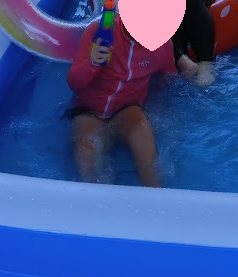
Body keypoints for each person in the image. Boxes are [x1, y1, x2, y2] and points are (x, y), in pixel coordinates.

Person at [66, 14, 176, 187]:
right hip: (89, 111)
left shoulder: (162, 45)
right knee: (86, 157)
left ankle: (155, 196)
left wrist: (159, 108)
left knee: (148, 159)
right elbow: (74, 83)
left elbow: (168, 79)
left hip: (128, 110)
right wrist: (92, 63)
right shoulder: (99, 32)